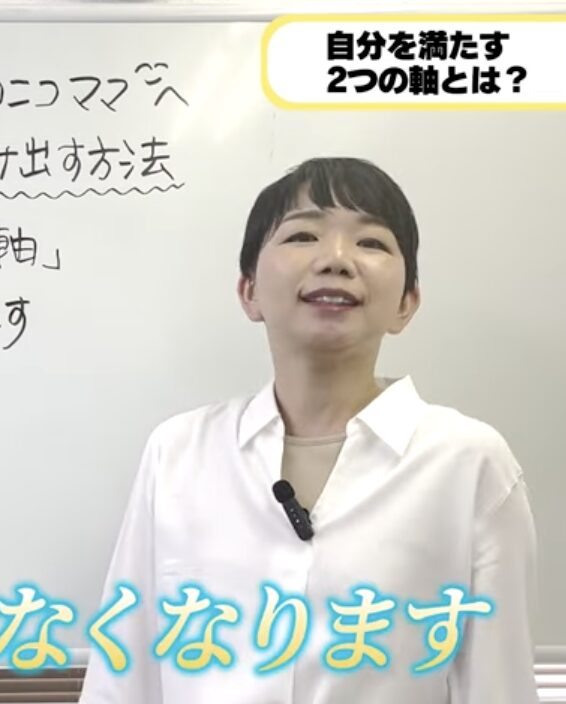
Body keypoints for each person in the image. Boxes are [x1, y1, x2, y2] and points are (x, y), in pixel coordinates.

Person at [77, 157, 539, 704]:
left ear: (407, 303)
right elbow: (123, 677)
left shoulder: (467, 462)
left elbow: (497, 687)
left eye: (371, 242)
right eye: (302, 236)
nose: (336, 259)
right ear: (249, 290)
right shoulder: (177, 452)